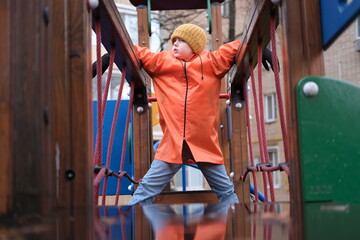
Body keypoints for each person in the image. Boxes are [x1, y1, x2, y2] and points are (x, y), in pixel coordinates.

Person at [128, 23, 273, 205]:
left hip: (205, 145)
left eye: (181, 41)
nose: (175, 44)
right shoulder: (162, 62)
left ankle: (238, 229)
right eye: (174, 40)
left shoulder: (211, 63)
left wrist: (261, 49)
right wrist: (108, 56)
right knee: (145, 190)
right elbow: (136, 52)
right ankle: (130, 230)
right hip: (173, 144)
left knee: (226, 192)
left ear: (195, 46)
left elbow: (235, 46)